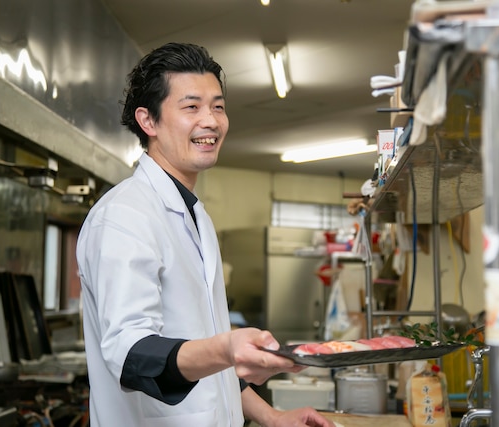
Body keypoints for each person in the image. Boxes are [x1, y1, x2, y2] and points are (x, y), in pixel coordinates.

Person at [76, 42, 335, 427]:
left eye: (218, 106)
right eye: (191, 107)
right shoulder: (124, 217)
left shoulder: (195, 215)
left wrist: (271, 416)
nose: (211, 121)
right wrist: (227, 347)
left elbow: (206, 352)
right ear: (148, 121)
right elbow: (132, 355)